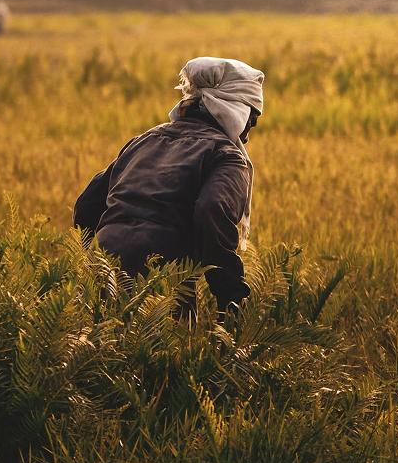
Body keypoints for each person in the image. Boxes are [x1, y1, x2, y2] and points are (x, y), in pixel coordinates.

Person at [73, 56, 264, 312]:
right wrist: (230, 295)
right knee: (166, 350)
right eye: (252, 119)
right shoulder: (225, 155)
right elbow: (212, 211)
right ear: (234, 111)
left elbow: (86, 205)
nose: (249, 133)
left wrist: (94, 259)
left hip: (101, 270)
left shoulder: (144, 141)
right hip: (162, 283)